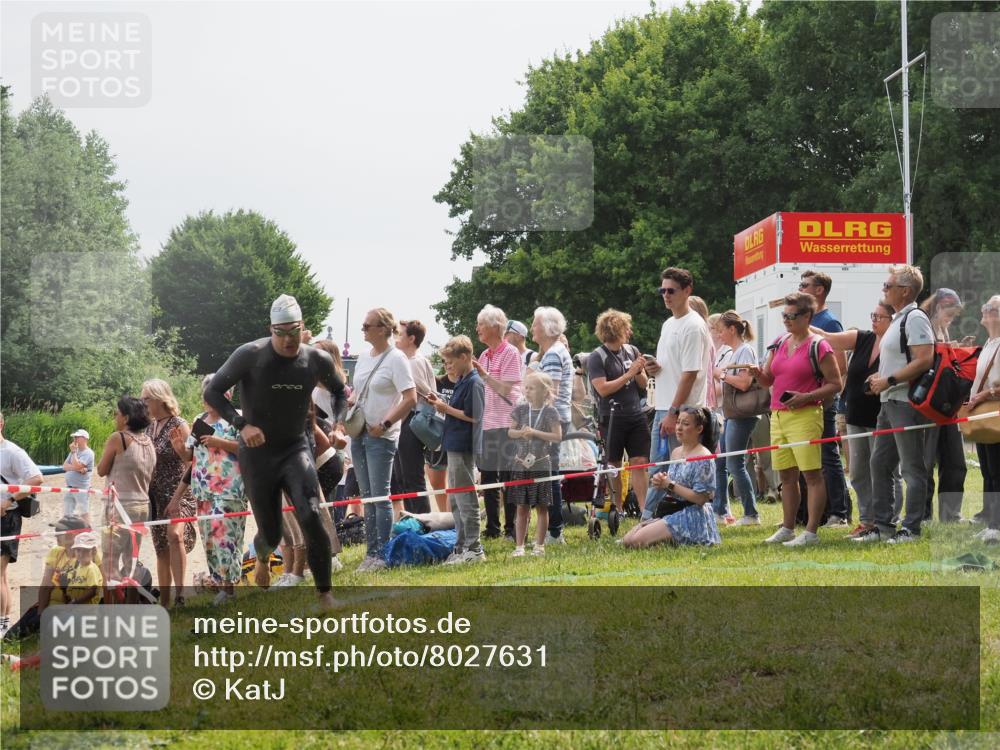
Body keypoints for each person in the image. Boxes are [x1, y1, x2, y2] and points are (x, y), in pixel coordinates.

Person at [205, 294, 347, 609]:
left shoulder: (315, 360)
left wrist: (338, 426)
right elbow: (212, 391)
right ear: (271, 329)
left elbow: (339, 391)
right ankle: (263, 558)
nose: (287, 340)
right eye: (280, 333)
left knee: (310, 514)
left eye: (293, 332)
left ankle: (325, 594)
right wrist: (241, 425)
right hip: (257, 453)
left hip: (296, 447)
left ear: (302, 327)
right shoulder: (250, 355)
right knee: (269, 532)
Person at [749, 292, 843, 547]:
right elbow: (769, 379)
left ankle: (811, 531)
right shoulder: (779, 342)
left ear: (807, 316)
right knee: (786, 477)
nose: (786, 320)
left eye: (792, 316)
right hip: (778, 414)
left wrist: (807, 396)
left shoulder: (819, 345)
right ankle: (788, 527)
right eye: (784, 315)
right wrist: (758, 374)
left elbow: (836, 383)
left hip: (805, 415)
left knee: (812, 475)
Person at [854, 265, 936, 544]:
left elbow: (925, 359)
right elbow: (900, 360)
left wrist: (888, 380)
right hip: (888, 402)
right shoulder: (898, 318)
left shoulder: (914, 318)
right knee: (879, 463)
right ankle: (884, 526)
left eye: (888, 286)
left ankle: (911, 528)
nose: (884, 290)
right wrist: (880, 378)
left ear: (905, 290)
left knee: (912, 468)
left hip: (904, 403)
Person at [811, 301, 895, 538]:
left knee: (884, 471)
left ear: (892, 321)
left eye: (879, 317)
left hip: (882, 416)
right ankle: (867, 521)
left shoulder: (896, 345)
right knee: (858, 471)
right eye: (873, 315)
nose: (874, 320)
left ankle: (887, 519)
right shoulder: (864, 337)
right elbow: (829, 337)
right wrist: (804, 321)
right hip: (856, 415)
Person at [348, 308, 416, 572]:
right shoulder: (364, 357)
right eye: (363, 325)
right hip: (359, 433)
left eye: (367, 325)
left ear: (383, 329)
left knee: (380, 496)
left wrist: (386, 423)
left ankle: (382, 553)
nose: (363, 329)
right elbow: (358, 390)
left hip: (382, 436)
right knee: (367, 497)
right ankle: (371, 552)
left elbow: (410, 398)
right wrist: (352, 403)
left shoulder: (397, 359)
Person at [643, 267, 712, 520]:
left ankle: (674, 519)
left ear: (687, 291)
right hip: (664, 407)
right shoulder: (669, 323)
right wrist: (654, 368)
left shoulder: (693, 326)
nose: (666, 295)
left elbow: (690, 374)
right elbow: (674, 368)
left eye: (671, 290)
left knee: (678, 472)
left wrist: (674, 413)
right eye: (662, 290)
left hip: (683, 410)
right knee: (658, 470)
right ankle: (650, 519)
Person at [178, 375, 247, 605]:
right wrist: (180, 449)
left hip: (229, 487)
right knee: (209, 538)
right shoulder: (199, 419)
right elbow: (190, 456)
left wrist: (221, 443)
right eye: (205, 395)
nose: (207, 400)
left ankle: (228, 590)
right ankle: (219, 584)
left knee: (224, 536)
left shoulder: (237, 419)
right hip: (203, 488)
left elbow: (248, 450)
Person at [621, 407, 721, 548]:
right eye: (678, 422)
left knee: (637, 541)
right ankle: (663, 538)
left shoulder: (703, 457)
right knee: (628, 540)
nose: (679, 428)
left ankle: (669, 539)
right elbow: (674, 484)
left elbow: (701, 498)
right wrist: (661, 481)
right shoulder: (676, 452)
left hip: (692, 515)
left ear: (699, 429)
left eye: (685, 424)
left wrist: (670, 484)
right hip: (672, 510)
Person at [427, 335, 485, 564]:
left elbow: (475, 417)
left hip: (464, 446)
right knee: (456, 500)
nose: (448, 366)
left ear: (464, 357)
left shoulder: (474, 382)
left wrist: (445, 408)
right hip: (453, 444)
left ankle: (474, 547)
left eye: (451, 360)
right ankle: (461, 546)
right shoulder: (463, 380)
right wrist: (441, 403)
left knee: (466, 498)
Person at [799, 270, 851, 527]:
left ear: (819, 290)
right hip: (806, 401)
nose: (800, 289)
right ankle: (812, 512)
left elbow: (840, 366)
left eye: (805, 285)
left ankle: (839, 513)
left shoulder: (828, 323)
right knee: (810, 457)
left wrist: (823, 391)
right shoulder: (804, 321)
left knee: (829, 455)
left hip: (824, 401)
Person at [587, 309, 650, 515]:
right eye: (626, 328)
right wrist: (629, 373)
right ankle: (618, 508)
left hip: (635, 415)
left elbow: (643, 383)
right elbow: (603, 389)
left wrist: (639, 371)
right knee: (614, 464)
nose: (630, 332)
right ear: (616, 330)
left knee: (639, 462)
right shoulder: (597, 357)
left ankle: (644, 509)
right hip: (611, 417)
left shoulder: (631, 350)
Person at [141, 378, 195, 608]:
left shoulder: (179, 424)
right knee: (161, 548)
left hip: (179, 491)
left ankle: (180, 595)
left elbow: (193, 462)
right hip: (155, 495)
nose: (143, 403)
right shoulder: (148, 427)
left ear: (159, 398)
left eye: (146, 398)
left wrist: (181, 451)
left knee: (175, 536)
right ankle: (165, 603)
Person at [473, 304, 524, 540]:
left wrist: (483, 375)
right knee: (488, 478)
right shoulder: (484, 355)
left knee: (508, 477)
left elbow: (506, 389)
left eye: (481, 324)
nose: (477, 329)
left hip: (507, 423)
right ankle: (492, 528)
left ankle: (511, 529)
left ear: (494, 327)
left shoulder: (511, 353)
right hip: (488, 424)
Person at [920, 288, 968, 522]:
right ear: (938, 307)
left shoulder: (942, 327)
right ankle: (924, 514)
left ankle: (951, 514)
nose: (952, 318)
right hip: (931, 405)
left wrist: (956, 348)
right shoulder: (925, 325)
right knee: (926, 463)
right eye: (950, 312)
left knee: (955, 462)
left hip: (948, 406)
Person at [97, 397, 156, 578]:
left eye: (117, 414)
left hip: (120, 506)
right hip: (142, 505)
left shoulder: (119, 438)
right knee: (131, 560)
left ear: (126, 418)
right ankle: (131, 600)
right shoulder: (148, 442)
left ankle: (111, 604)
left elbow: (101, 470)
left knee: (109, 560)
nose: (115, 417)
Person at [529, 306, 572, 544]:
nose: (532, 327)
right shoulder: (551, 353)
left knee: (548, 475)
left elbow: (550, 393)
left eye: (535, 323)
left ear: (546, 328)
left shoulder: (554, 354)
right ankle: (552, 528)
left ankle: (555, 530)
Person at [507, 371, 562, 556]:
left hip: (541, 464)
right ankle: (519, 546)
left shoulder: (550, 412)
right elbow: (510, 432)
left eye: (532, 388)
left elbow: (557, 436)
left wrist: (535, 433)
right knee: (521, 507)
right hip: (521, 464)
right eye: (526, 387)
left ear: (545, 392)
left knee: (542, 506)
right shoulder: (521, 409)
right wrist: (522, 432)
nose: (527, 391)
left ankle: (539, 546)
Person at [714, 311, 761, 525]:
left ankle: (751, 513)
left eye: (721, 330)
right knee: (725, 461)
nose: (719, 334)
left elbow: (744, 383)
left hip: (742, 414)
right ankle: (725, 509)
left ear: (732, 329)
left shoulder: (745, 351)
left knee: (735, 464)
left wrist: (722, 375)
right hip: (732, 414)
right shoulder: (735, 352)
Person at [0, 412, 43, 636]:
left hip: (7, 518)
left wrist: (8, 501)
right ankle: (3, 625)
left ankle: (2, 627)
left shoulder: (13, 452)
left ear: (0, 424)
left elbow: (36, 479)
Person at [392, 320, 437, 515]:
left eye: (400, 334)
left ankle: (422, 522)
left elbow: (428, 394)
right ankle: (414, 520)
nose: (396, 338)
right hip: (407, 422)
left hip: (413, 421)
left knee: (412, 477)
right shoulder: (412, 360)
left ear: (411, 338)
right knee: (405, 478)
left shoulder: (414, 362)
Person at [969, 295, 1000, 543]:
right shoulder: (990, 343)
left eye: (988, 307)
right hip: (983, 413)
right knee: (988, 471)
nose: (983, 310)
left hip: (994, 412)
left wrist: (987, 393)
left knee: (996, 470)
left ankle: (997, 526)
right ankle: (991, 520)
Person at [707, 313, 734, 523]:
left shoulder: (728, 352)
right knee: (717, 464)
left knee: (721, 463)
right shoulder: (713, 353)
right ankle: (720, 507)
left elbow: (721, 388)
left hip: (722, 412)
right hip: (713, 410)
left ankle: (722, 509)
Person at [37, 515, 92, 615]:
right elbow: (46, 586)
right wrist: (40, 612)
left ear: (75, 535)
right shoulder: (55, 552)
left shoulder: (90, 555)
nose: (56, 534)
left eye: (60, 531)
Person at [426, 366, 457, 512]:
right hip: (437, 436)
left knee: (456, 482)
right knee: (435, 481)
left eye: (452, 361)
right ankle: (444, 516)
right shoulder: (437, 382)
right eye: (445, 361)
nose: (448, 365)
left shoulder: (467, 382)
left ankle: (454, 519)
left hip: (458, 435)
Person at [62, 429, 95, 526]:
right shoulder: (74, 452)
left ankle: (88, 529)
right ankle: (68, 529)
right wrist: (78, 468)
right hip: (70, 486)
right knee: (68, 510)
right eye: (74, 437)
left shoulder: (88, 453)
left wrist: (73, 454)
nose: (75, 439)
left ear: (85, 439)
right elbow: (64, 466)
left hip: (81, 488)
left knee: (84, 511)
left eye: (77, 437)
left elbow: (76, 465)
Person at [63, 531, 103, 605]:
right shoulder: (76, 568)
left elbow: (93, 591)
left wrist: (76, 602)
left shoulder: (91, 569)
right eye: (78, 550)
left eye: (86, 550)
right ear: (74, 551)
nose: (81, 554)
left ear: (94, 551)